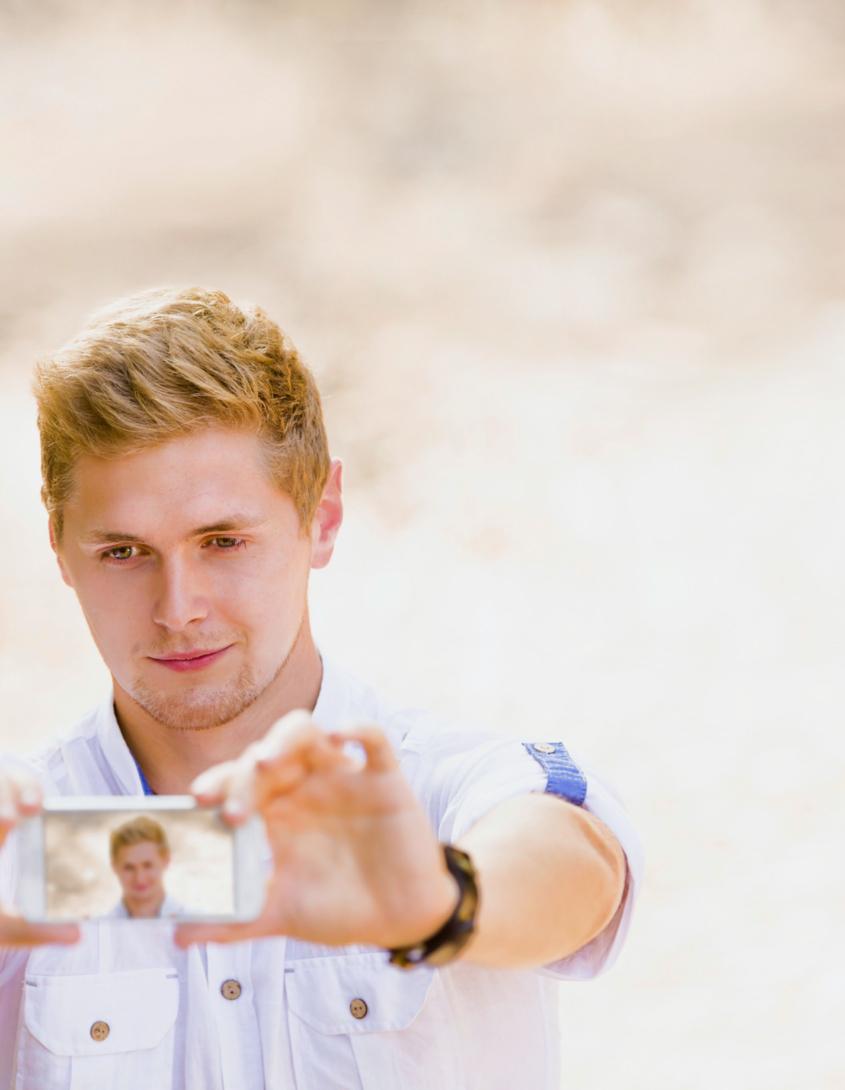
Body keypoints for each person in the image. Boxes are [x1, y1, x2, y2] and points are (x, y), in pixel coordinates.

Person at [0, 286, 643, 1090]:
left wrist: (439, 902)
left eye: (223, 541)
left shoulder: (438, 787)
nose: (178, 608)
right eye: (123, 553)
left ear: (324, 516)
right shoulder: (23, 842)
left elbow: (573, 861)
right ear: (59, 547)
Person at [106, 816, 183, 919]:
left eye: (148, 865)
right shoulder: (96, 927)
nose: (140, 878)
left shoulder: (198, 924)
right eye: (129, 868)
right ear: (114, 866)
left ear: (166, 860)